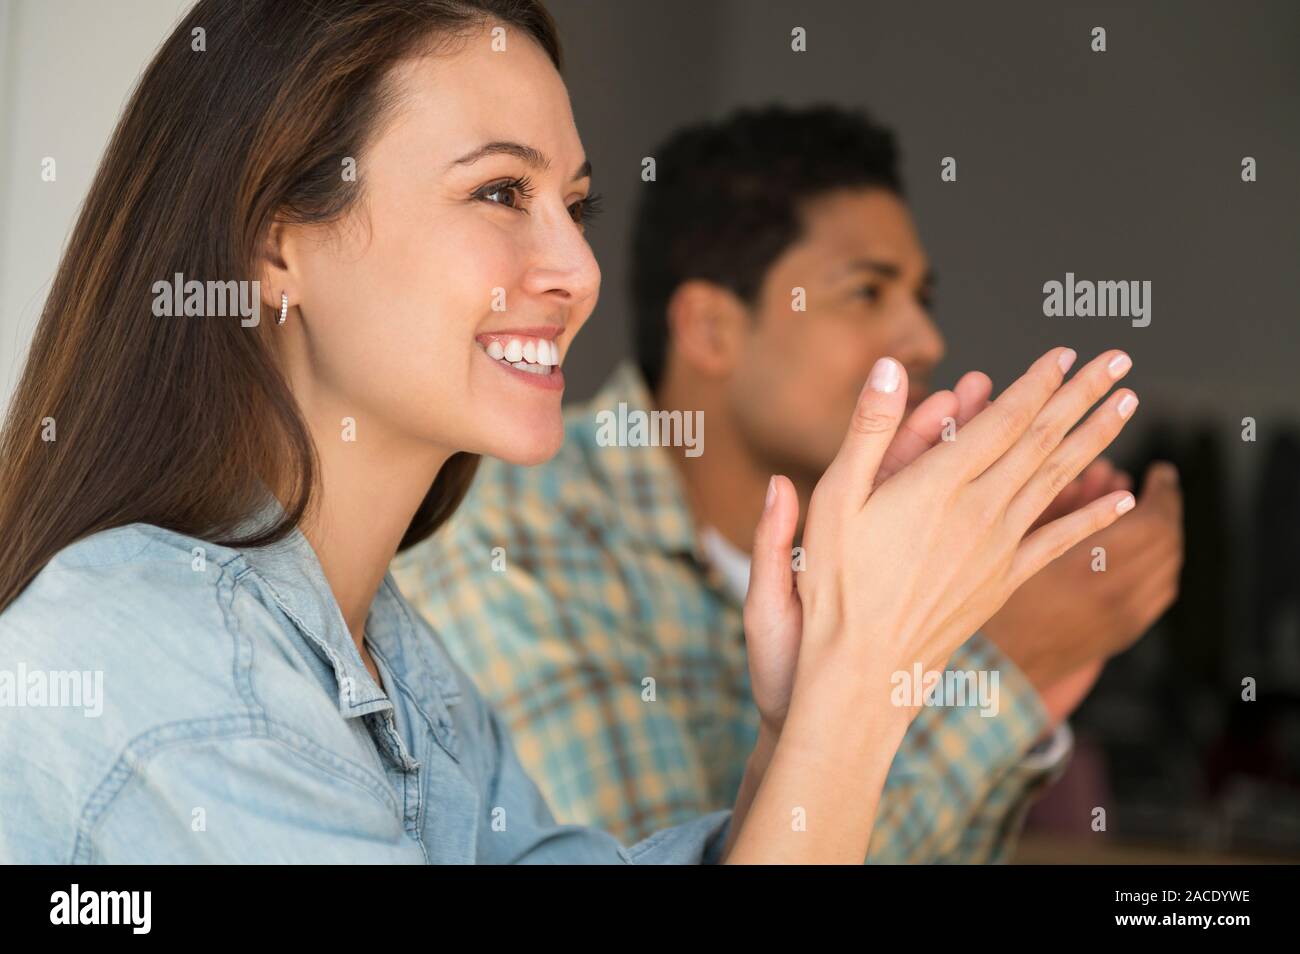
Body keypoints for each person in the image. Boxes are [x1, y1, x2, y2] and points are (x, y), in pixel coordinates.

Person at [0, 0, 1138, 864]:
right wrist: (874, 676)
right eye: (501, 194)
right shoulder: (157, 666)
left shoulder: (400, 669)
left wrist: (802, 725)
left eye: (575, 206)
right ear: (273, 242)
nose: (579, 270)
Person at [396, 105, 1183, 861]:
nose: (925, 338)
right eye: (868, 291)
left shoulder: (865, 554)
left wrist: (985, 638)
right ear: (709, 328)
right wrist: (1002, 671)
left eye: (922, 297)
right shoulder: (510, 528)